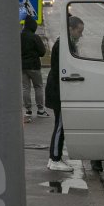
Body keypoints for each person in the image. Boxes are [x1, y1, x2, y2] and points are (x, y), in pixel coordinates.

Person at [45, 16, 85, 172]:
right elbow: (64, 70)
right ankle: (55, 159)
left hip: (59, 90)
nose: (80, 35)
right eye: (79, 31)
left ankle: (54, 158)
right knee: (61, 126)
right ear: (70, 29)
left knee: (60, 125)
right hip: (59, 91)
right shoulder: (63, 45)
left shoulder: (64, 43)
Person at [20, 15, 49, 119]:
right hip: (34, 66)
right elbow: (42, 52)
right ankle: (40, 110)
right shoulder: (35, 37)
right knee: (38, 87)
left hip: (22, 66)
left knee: (25, 88)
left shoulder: (19, 36)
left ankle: (28, 110)